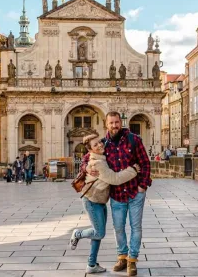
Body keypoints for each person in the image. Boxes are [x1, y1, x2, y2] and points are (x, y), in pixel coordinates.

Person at [81, 111, 151, 276]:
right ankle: (122, 257)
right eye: (111, 123)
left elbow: (145, 163)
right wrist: (86, 167)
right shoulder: (103, 144)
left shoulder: (134, 140)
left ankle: (132, 260)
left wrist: (143, 186)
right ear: (106, 124)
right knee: (118, 228)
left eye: (117, 122)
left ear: (121, 122)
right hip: (117, 194)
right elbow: (87, 158)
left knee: (136, 227)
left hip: (135, 192)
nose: (114, 125)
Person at [70, 134, 141, 274]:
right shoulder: (97, 163)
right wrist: (133, 170)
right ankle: (77, 234)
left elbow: (87, 160)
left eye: (100, 142)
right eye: (95, 145)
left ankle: (91, 264)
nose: (100, 145)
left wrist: (85, 166)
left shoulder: (101, 156)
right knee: (99, 232)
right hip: (92, 200)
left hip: (100, 200)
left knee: (97, 234)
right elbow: (114, 178)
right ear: (90, 150)